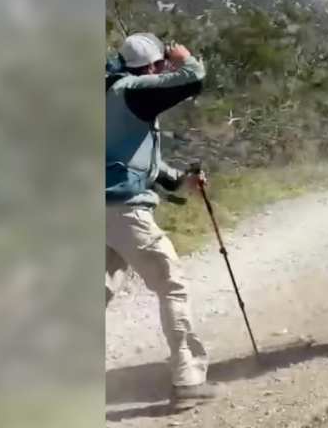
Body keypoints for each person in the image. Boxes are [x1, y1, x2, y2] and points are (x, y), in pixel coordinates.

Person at [104, 33, 224, 410]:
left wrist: (178, 180)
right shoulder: (134, 91)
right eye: (159, 66)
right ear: (152, 67)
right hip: (125, 213)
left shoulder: (106, 94)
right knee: (171, 285)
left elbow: (129, 159)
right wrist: (184, 58)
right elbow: (192, 79)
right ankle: (188, 378)